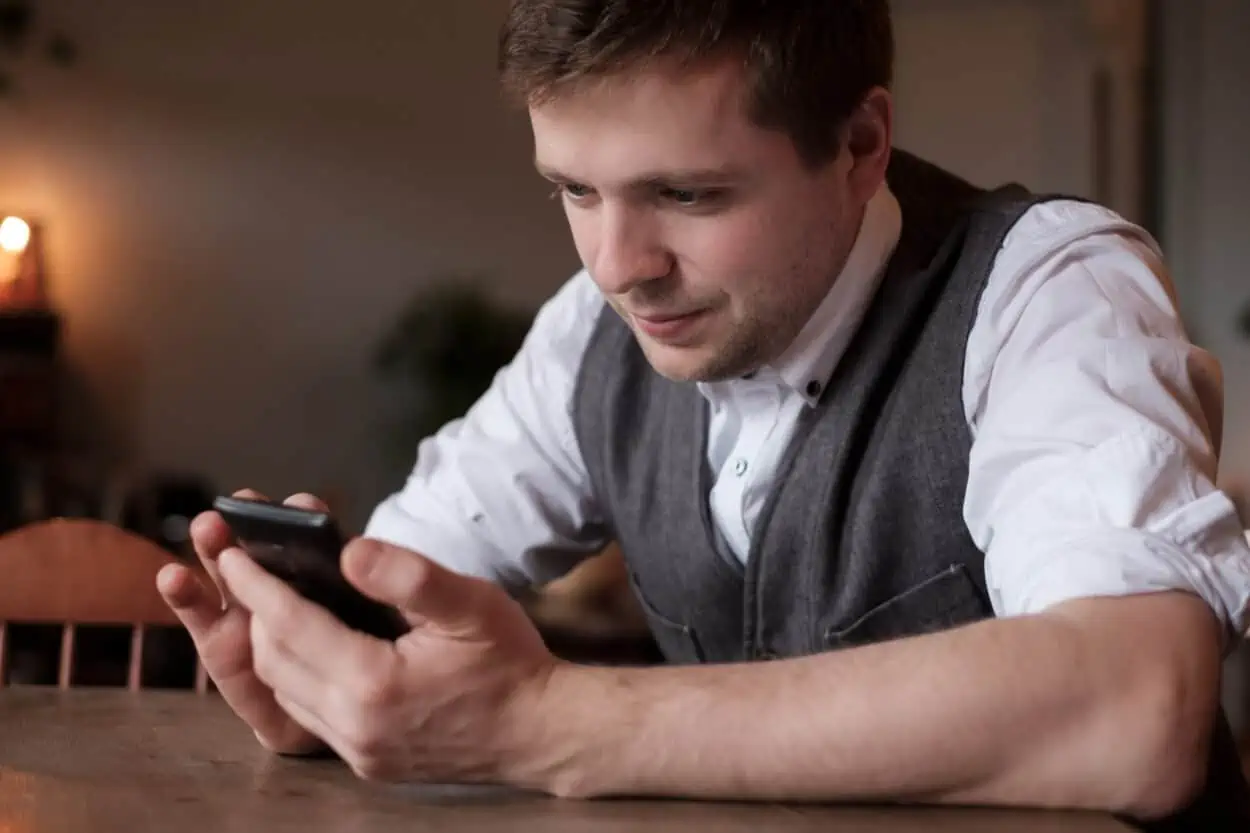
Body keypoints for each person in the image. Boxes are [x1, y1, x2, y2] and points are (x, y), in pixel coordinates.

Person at [157, 1, 1250, 829]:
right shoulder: (590, 328)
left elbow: (1134, 710)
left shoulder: (1050, 288)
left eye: (685, 194)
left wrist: (550, 722)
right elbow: (410, 585)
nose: (618, 266)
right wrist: (334, 686)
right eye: (574, 191)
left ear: (860, 146)